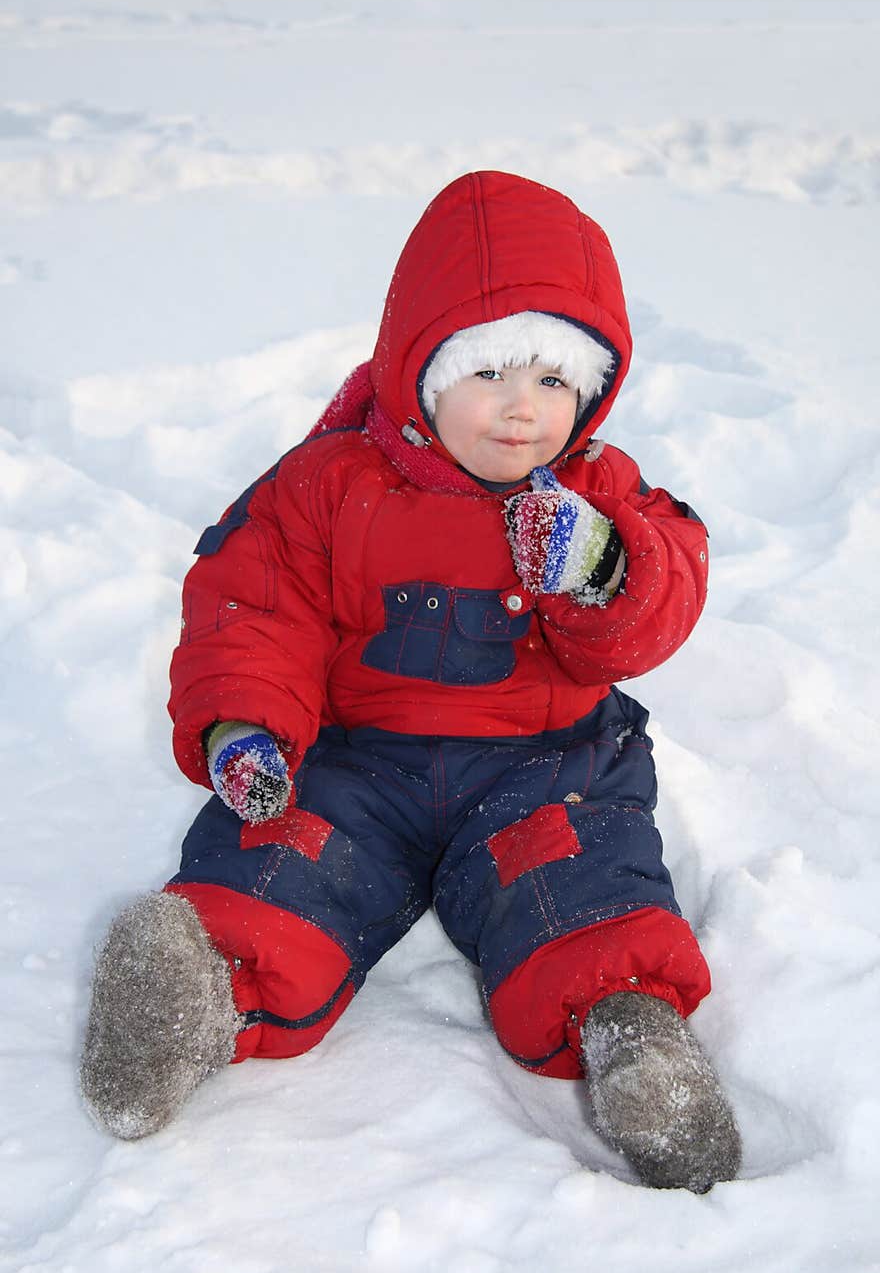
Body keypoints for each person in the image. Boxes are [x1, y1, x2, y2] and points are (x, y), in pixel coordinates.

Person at [80, 170, 741, 1192]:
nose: (524, 414)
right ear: (418, 367)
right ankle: (188, 992)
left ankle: (632, 1038)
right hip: (362, 757)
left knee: (573, 875)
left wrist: (604, 567)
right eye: (491, 376)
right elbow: (252, 609)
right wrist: (243, 728)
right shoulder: (328, 484)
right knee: (288, 852)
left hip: (541, 760)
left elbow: (671, 588)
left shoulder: (597, 493)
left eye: (556, 383)